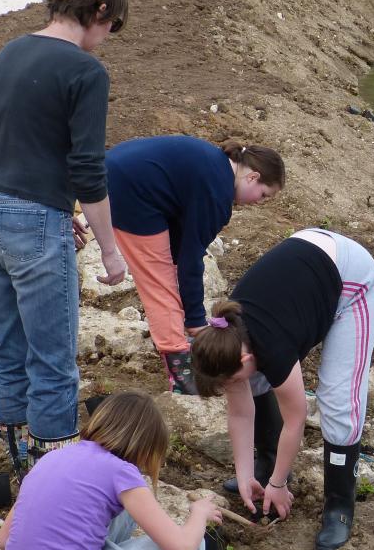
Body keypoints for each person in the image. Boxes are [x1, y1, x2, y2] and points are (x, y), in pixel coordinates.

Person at [0, 0, 129, 472]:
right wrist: (109, 247)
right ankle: (54, 474)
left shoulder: (10, 51)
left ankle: (19, 462)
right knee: (54, 359)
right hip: (31, 221)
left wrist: (56, 208)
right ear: (99, 9)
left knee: (8, 347)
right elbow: (87, 167)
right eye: (112, 25)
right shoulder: (85, 71)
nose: (108, 36)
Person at [190, 229, 374, 550]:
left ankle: (339, 505)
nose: (232, 389)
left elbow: (296, 419)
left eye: (230, 381)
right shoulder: (228, 337)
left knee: (337, 400)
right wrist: (243, 474)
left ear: (246, 356)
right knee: (251, 382)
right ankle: (264, 465)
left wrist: (279, 485)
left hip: (352, 278)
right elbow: (239, 412)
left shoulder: (272, 347)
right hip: (306, 265)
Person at [106, 136, 284, 395]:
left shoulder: (217, 169)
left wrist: (189, 304)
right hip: (129, 191)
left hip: (122, 173)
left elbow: (182, 241)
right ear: (252, 177)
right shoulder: (217, 193)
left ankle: (176, 339)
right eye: (264, 195)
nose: (260, 202)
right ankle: (179, 366)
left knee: (168, 269)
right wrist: (196, 321)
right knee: (159, 282)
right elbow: (191, 259)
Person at [0, 391, 223, 550]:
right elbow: (181, 546)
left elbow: (4, 540)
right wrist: (199, 513)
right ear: (146, 447)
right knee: (197, 543)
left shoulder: (51, 458)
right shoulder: (121, 472)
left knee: (124, 512)